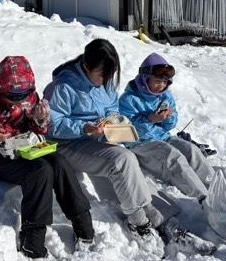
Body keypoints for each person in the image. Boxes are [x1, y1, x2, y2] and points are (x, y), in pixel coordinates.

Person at [45, 39, 216, 256]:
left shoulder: (105, 80)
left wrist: (116, 122)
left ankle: (165, 222)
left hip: (99, 138)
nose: (105, 81)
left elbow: (111, 108)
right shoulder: (63, 86)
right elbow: (51, 125)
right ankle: (138, 222)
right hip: (70, 144)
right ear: (87, 66)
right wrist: (84, 128)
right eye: (101, 75)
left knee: (133, 168)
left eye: (109, 76)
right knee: (122, 160)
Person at [0, 56, 94, 259]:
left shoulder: (30, 96)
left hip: (27, 147)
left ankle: (84, 228)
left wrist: (40, 120)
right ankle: (32, 241)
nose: (21, 99)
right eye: (14, 96)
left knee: (59, 163)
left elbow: (38, 128)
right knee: (41, 171)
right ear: (2, 89)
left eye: (25, 94)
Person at [119, 53, 215, 203]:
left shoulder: (165, 96)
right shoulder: (128, 99)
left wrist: (169, 117)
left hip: (163, 137)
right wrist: (149, 119)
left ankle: (216, 188)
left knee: (192, 151)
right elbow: (126, 131)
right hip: (140, 145)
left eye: (165, 82)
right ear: (145, 79)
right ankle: (204, 198)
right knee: (173, 157)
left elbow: (170, 125)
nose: (161, 86)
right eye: (157, 81)